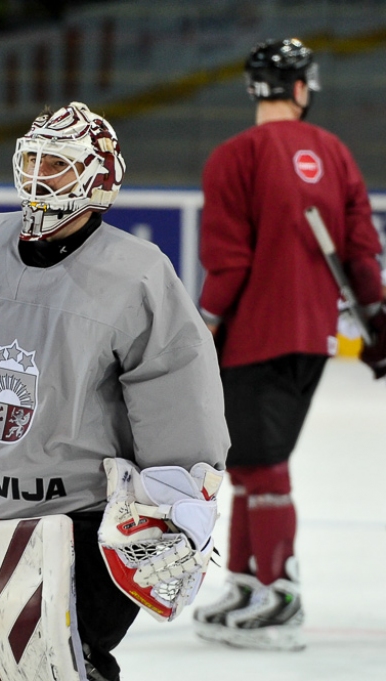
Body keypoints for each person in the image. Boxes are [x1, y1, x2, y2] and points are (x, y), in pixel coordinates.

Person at [0, 102, 229, 681]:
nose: (37, 175)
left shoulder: (138, 273)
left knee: (66, 667)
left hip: (78, 525)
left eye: (56, 164)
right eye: (33, 159)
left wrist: (176, 500)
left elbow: (175, 392)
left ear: (99, 178)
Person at [192, 38, 386, 651]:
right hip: (314, 337)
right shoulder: (335, 152)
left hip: (253, 335)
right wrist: (379, 324)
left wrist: (201, 328)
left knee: (263, 463)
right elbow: (362, 254)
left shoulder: (234, 155)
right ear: (301, 88)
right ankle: (248, 583)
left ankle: (279, 593)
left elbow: (228, 262)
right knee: (252, 461)